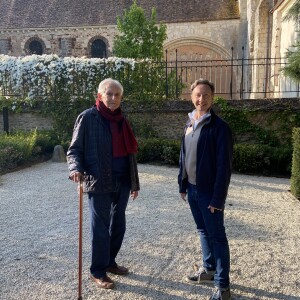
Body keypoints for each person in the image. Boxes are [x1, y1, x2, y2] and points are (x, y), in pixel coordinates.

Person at [67, 78, 140, 289]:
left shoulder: (123, 119)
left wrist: (134, 183)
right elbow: (74, 150)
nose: (113, 98)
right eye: (109, 94)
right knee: (100, 227)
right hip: (98, 180)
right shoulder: (88, 117)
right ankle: (97, 271)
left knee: (119, 224)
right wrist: (75, 169)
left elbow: (130, 154)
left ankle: (109, 262)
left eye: (117, 95)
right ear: (100, 95)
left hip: (123, 180)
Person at [178, 79, 233, 300]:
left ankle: (223, 286)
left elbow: (224, 167)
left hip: (209, 192)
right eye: (198, 95)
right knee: (202, 231)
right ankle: (209, 269)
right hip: (191, 189)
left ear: (213, 98)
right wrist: (182, 184)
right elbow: (184, 156)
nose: (202, 99)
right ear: (191, 96)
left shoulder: (220, 128)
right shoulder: (189, 122)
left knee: (217, 236)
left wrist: (218, 199)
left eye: (207, 96)